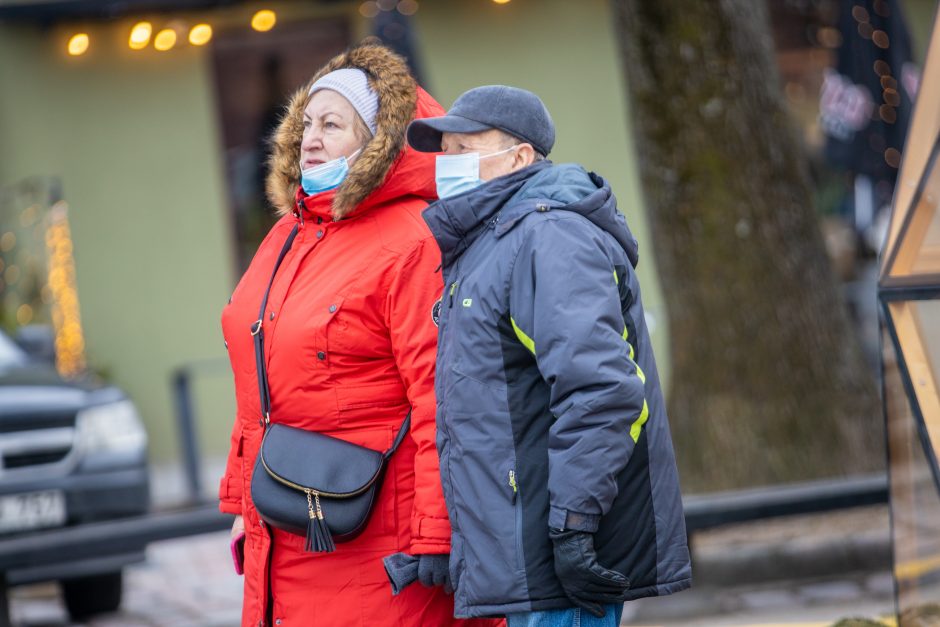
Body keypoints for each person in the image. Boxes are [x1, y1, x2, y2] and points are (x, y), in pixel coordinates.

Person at [218, 43, 502, 627]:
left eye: (332, 124)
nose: (310, 138)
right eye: (305, 125)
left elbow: (443, 399)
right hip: (286, 525)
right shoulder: (287, 236)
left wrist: (436, 532)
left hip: (378, 539)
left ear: (378, 142)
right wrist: (241, 502)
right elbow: (258, 388)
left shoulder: (411, 241)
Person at [407, 85, 693, 625]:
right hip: (524, 552)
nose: (447, 165)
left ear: (519, 156)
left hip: (553, 555)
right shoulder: (492, 241)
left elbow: (602, 389)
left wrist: (572, 525)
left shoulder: (548, 234)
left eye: (464, 149)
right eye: (444, 151)